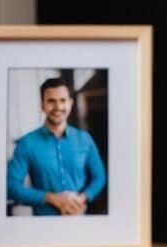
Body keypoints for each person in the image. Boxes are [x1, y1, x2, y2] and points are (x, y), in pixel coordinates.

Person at [7, 77, 107, 216]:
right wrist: (53, 199)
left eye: (63, 100)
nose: (58, 107)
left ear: (70, 103)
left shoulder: (85, 139)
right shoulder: (27, 143)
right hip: (43, 227)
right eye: (51, 101)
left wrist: (81, 199)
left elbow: (100, 177)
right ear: (42, 105)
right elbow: (10, 186)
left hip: (80, 221)